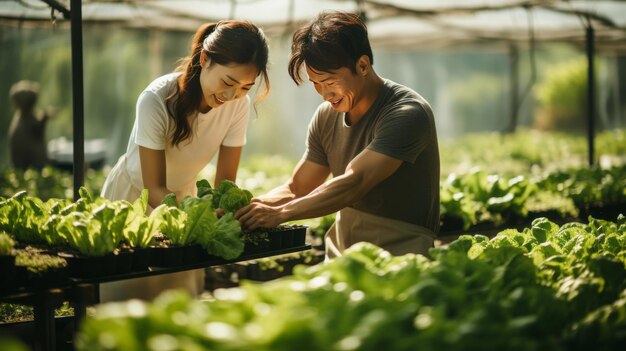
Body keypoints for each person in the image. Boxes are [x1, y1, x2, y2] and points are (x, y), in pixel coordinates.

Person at [235, 11, 440, 260]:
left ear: (362, 65)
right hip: (344, 245)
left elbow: (355, 182)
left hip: (402, 248)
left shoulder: (407, 112)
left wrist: (282, 214)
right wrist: (247, 210)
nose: (324, 94)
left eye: (330, 82)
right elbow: (298, 187)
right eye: (315, 83)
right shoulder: (326, 116)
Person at [100, 20, 270, 301]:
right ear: (204, 59)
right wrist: (199, 220)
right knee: (127, 301)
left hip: (183, 200)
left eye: (244, 87)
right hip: (133, 199)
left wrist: (219, 213)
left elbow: (225, 183)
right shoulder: (157, 99)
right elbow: (153, 190)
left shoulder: (238, 106)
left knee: (178, 301)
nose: (231, 95)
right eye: (227, 82)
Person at [8, 80, 52, 170]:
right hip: (30, 164)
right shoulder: (24, 121)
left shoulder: (22, 119)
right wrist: (44, 118)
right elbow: (37, 132)